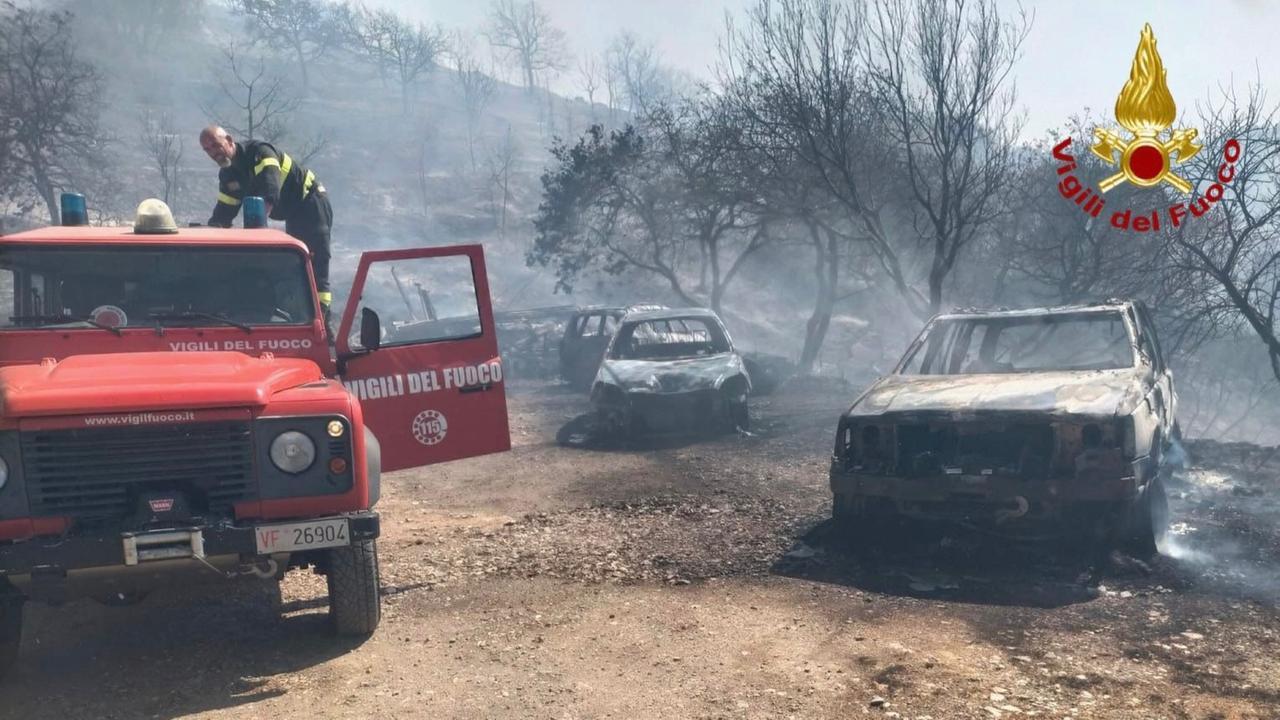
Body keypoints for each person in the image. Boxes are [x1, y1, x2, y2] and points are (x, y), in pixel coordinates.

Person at [198, 125, 334, 336]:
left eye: (216, 145)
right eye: (207, 150)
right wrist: (209, 234)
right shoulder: (228, 175)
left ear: (230, 140)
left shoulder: (261, 153)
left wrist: (255, 235)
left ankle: (324, 325)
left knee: (315, 260)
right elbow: (224, 211)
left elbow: (269, 192)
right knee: (297, 268)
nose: (214, 152)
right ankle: (299, 315)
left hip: (311, 203)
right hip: (292, 212)